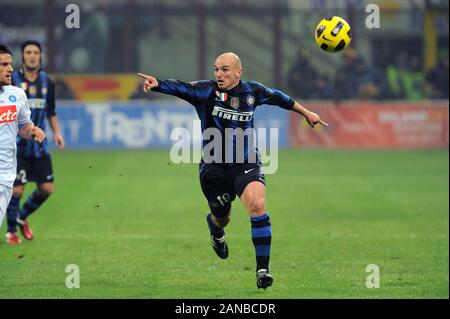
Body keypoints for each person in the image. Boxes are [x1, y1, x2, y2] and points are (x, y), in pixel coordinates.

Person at [137, 52, 328, 289]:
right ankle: (216, 231)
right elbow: (182, 87)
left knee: (257, 206)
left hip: (245, 163)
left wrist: (307, 113)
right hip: (213, 169)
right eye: (216, 69)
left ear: (239, 72)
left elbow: (280, 98)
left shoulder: (253, 91)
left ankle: (262, 270)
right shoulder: (205, 91)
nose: (219, 74)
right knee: (222, 218)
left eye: (225, 69)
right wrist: (158, 85)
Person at [5, 40, 65, 245]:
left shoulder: (47, 82)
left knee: (47, 189)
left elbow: (51, 111)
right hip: (17, 147)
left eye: (35, 52)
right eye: (28, 52)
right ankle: (11, 231)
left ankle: (20, 217)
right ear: (22, 56)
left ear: (40, 56)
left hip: (40, 146)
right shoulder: (10, 80)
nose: (32, 56)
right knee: (17, 190)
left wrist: (57, 133)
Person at [0, 44, 45, 232]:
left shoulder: (17, 95)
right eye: (3, 65)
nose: (10, 69)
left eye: (10, 64)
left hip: (5, 173)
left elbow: (23, 127)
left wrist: (34, 131)